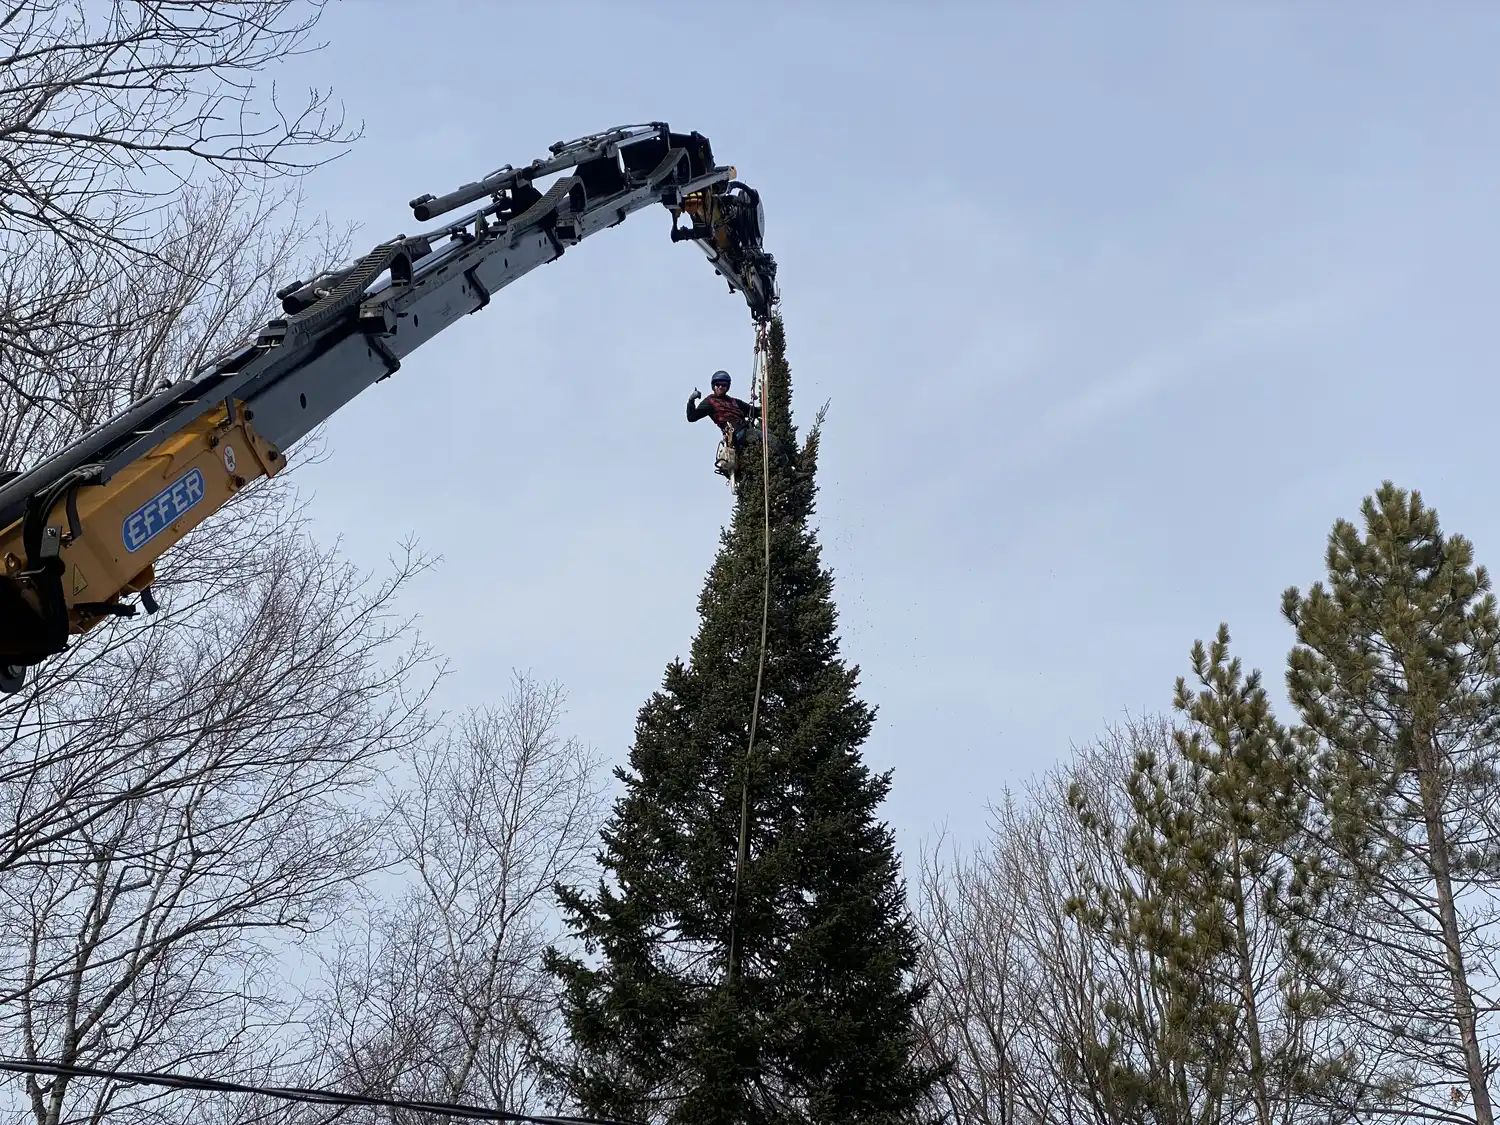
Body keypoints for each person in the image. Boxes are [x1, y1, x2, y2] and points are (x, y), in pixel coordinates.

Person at [686, 370, 761, 451]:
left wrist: (765, 399)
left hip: (745, 431)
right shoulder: (710, 402)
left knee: (765, 436)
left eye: (724, 385)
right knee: (764, 437)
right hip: (736, 436)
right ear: (713, 386)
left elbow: (755, 412)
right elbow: (691, 417)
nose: (721, 387)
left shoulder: (734, 402)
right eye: (718, 385)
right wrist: (691, 400)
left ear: (727, 387)